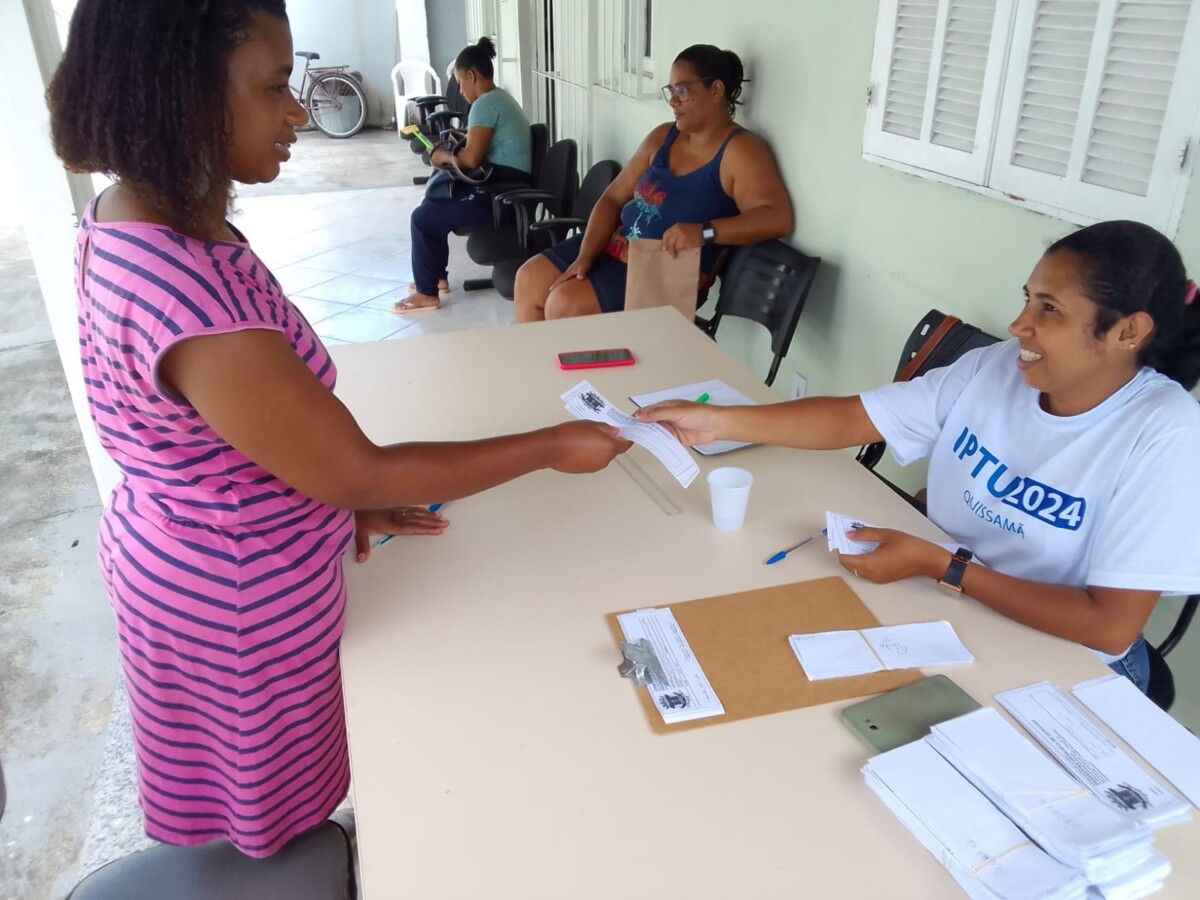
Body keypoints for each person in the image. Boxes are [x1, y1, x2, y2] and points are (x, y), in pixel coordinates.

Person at [48, 0, 627, 858]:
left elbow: (229, 440)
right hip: (233, 600)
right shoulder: (186, 290)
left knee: (257, 793)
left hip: (199, 548)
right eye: (274, 86)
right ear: (181, 95)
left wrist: (328, 502)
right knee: (276, 825)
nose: (296, 112)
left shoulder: (140, 214)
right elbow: (355, 467)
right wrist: (548, 446)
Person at [637, 221, 1200, 692]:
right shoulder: (996, 367)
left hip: (1066, 664)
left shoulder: (1163, 433)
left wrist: (945, 566)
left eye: (1049, 309)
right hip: (953, 607)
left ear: (1128, 331)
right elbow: (857, 417)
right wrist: (716, 420)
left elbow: (1108, 626)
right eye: (1026, 298)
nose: (1018, 325)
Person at [514, 44, 792, 322]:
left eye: (682, 90)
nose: (673, 101)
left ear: (716, 90)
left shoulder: (740, 150)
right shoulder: (663, 137)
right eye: (671, 91)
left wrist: (705, 232)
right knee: (528, 280)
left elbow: (777, 218)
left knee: (562, 305)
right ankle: (536, 365)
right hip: (620, 245)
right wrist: (586, 256)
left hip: (668, 269)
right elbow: (612, 199)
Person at [394, 36, 531, 313]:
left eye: (459, 82)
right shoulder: (500, 98)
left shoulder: (485, 104)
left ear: (471, 75)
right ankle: (436, 278)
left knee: (422, 218)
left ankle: (426, 293)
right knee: (432, 206)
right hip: (505, 188)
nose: (460, 89)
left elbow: (470, 159)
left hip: (501, 195)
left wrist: (440, 155)